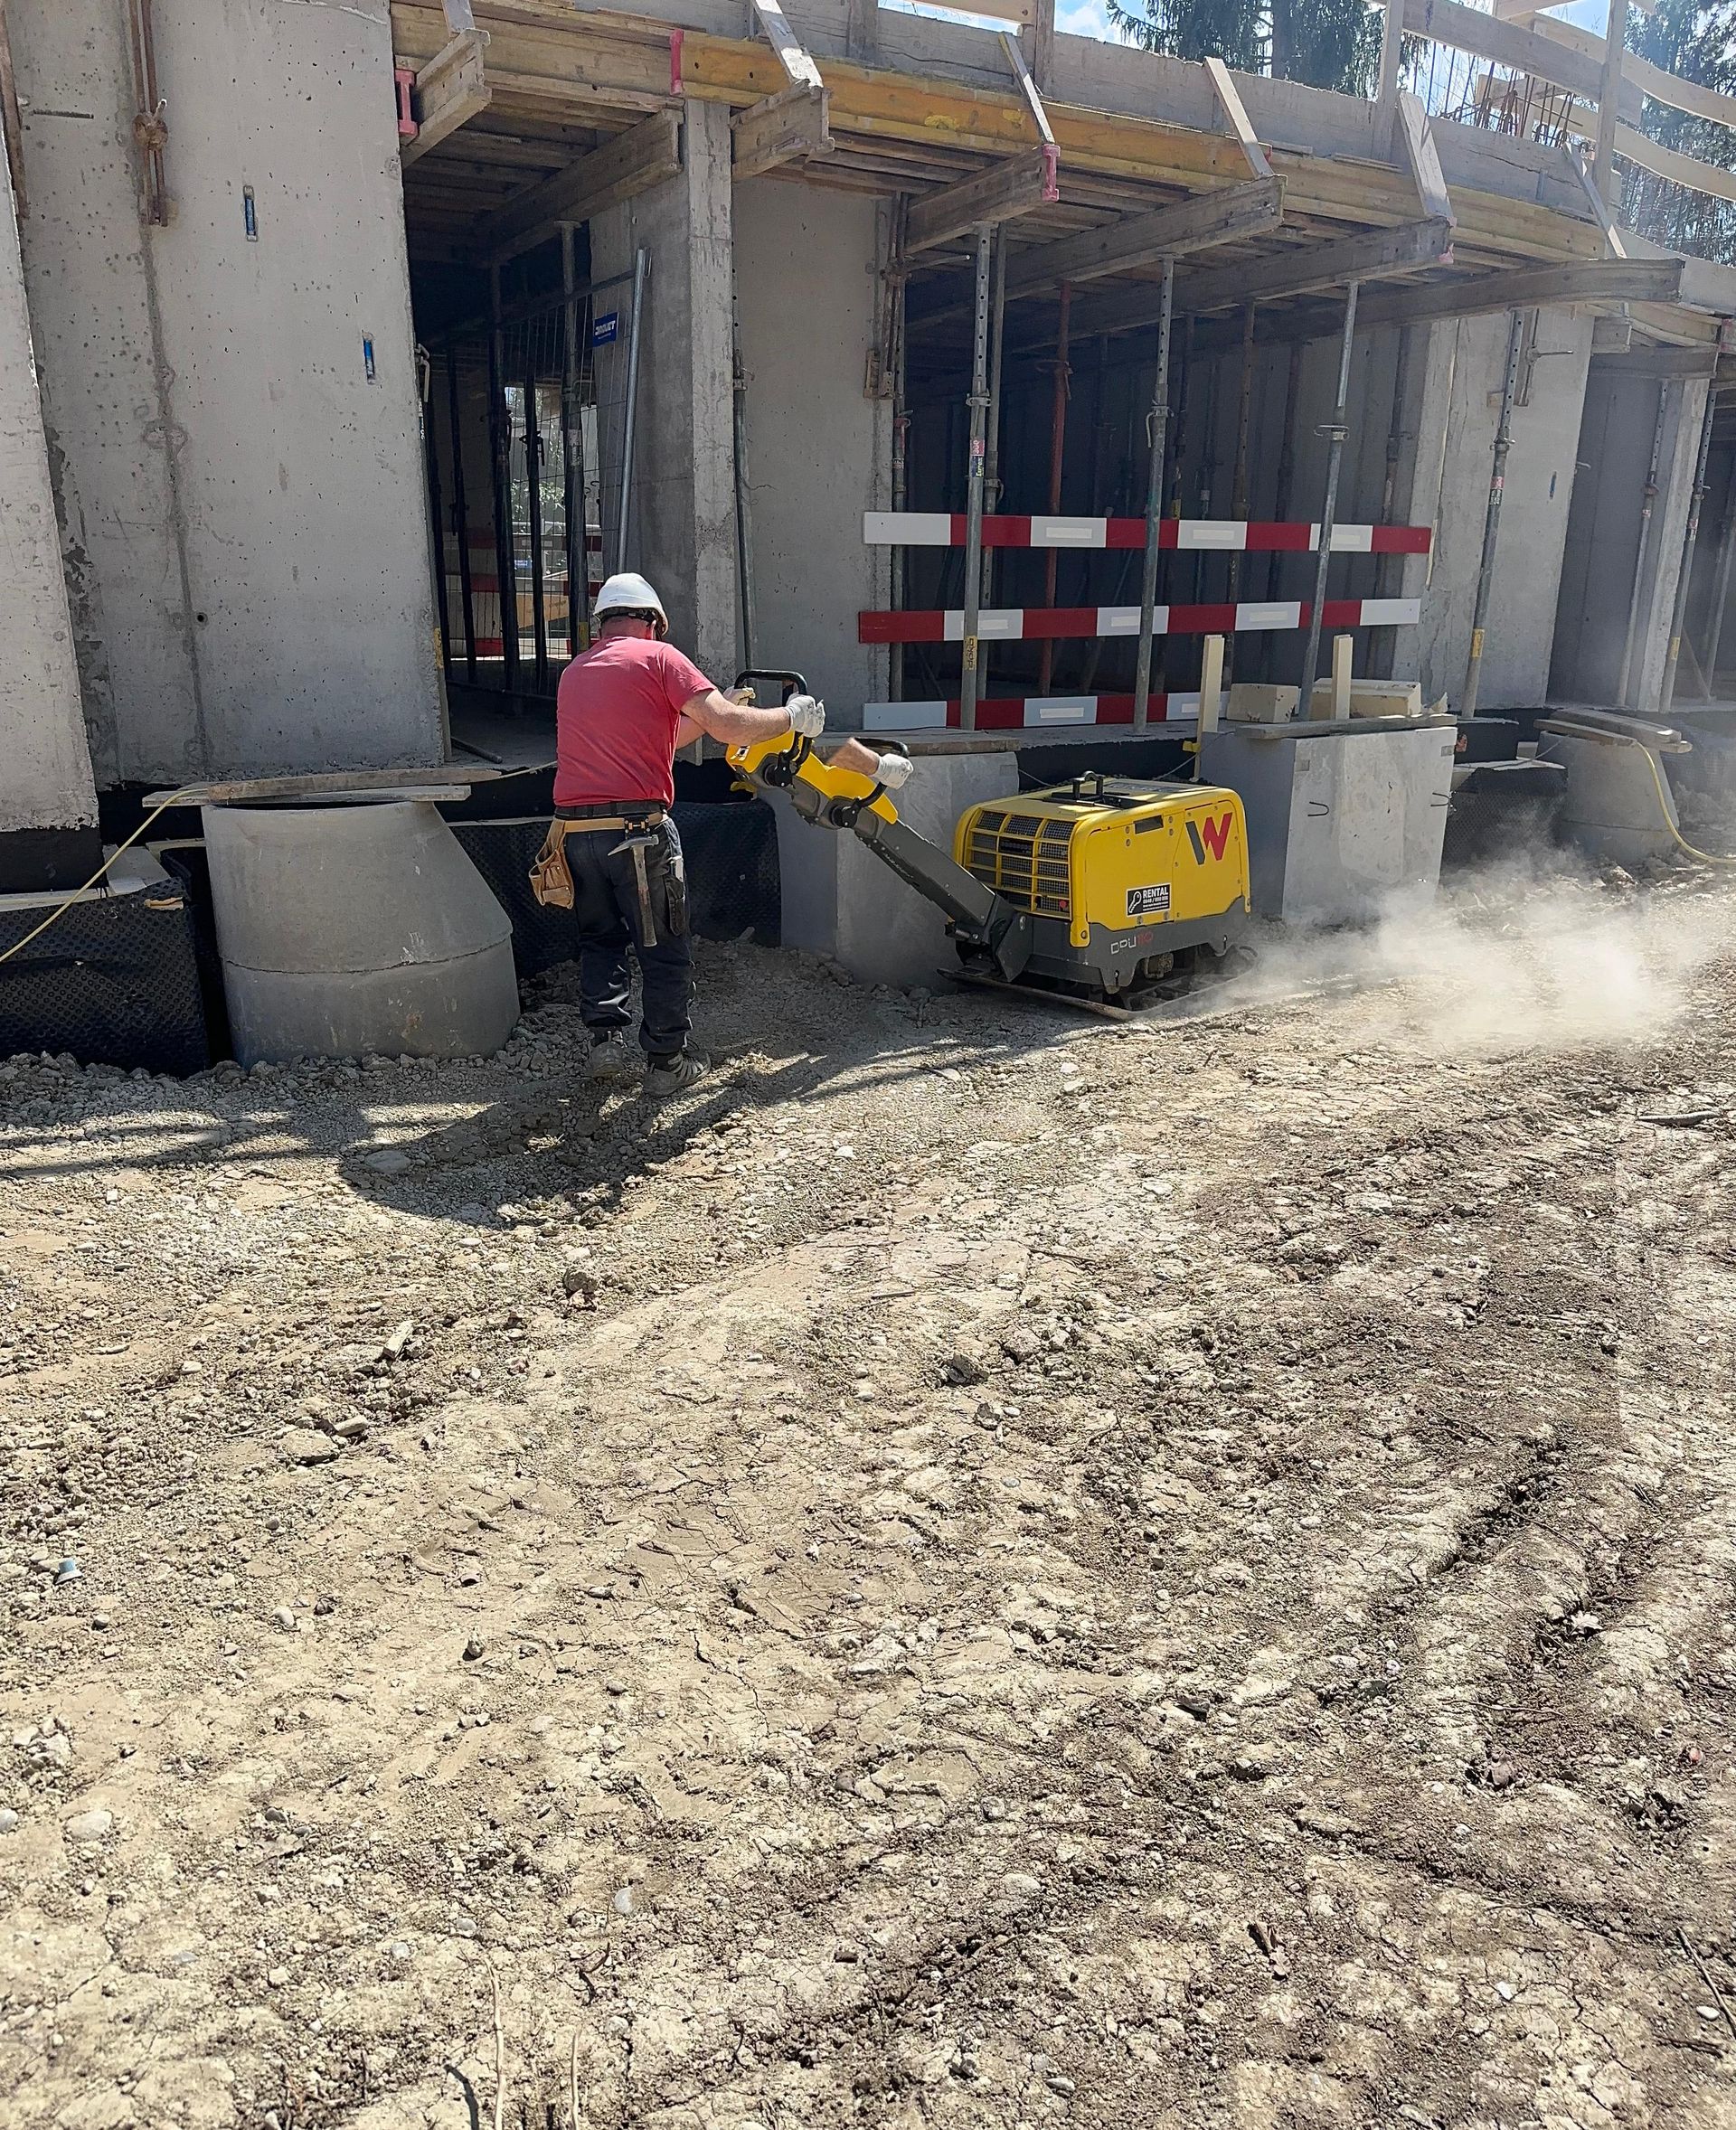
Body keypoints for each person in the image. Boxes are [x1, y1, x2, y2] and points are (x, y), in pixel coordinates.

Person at [538, 573, 866, 1097]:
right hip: (638, 834)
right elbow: (732, 729)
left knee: (600, 938)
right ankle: (667, 1064)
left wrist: (723, 709)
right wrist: (790, 717)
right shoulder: (661, 659)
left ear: (604, 622)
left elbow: (662, 739)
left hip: (576, 835)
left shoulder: (577, 671)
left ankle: (606, 1045)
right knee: (662, 944)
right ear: (654, 622)